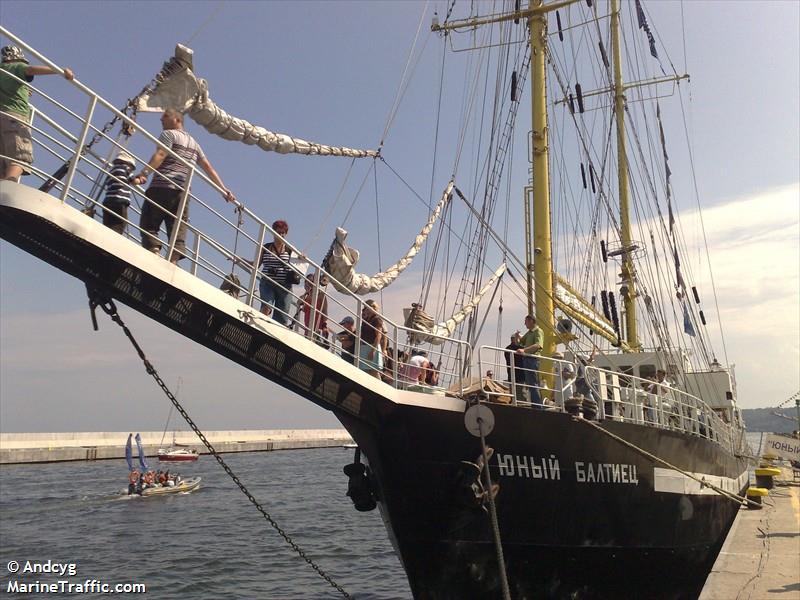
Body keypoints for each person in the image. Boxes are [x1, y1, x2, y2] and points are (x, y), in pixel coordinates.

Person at [131, 108, 235, 263]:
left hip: (162, 186)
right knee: (177, 229)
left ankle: (154, 251)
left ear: (177, 120)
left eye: (165, 116)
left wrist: (144, 173)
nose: (161, 120)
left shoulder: (168, 135)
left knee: (149, 223)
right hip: (182, 193)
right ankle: (172, 261)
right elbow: (208, 167)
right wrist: (223, 190)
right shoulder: (194, 144)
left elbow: (160, 154)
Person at [0, 45, 74, 181]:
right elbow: (30, 70)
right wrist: (59, 71)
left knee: (2, 160)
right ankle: (8, 187)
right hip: (15, 117)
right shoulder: (16, 66)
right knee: (20, 158)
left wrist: (23, 91)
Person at [258, 220, 300, 325]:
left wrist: (302, 257)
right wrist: (239, 259)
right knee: (266, 307)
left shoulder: (290, 249)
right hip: (268, 283)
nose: (280, 235)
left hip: (285, 286)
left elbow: (299, 265)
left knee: (281, 318)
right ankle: (258, 327)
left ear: (286, 234)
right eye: (278, 232)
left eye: (283, 233)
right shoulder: (266, 247)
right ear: (273, 232)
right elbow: (255, 264)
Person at [100, 152, 136, 234]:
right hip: (120, 200)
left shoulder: (112, 170)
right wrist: (140, 179)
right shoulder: (126, 168)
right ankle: (114, 238)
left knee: (108, 222)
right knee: (120, 223)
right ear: (129, 164)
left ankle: (106, 234)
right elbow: (134, 181)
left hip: (108, 200)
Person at [516, 315, 543, 407]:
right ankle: (535, 405)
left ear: (531, 321)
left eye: (526, 321)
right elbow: (520, 342)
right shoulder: (529, 333)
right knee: (531, 383)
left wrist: (524, 350)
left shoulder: (538, 331)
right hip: (527, 359)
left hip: (533, 359)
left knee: (533, 383)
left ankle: (537, 406)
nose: (525, 324)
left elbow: (538, 345)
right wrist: (517, 337)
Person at [300, 272, 329, 345]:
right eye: (307, 282)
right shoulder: (305, 296)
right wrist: (306, 293)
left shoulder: (321, 295)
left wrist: (324, 326)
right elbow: (298, 304)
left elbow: (325, 312)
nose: (309, 284)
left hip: (317, 329)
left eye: (311, 282)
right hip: (307, 329)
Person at [359, 299, 384, 378]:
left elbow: (378, 336)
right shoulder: (365, 320)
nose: (366, 309)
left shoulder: (377, 319)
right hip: (364, 346)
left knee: (374, 372)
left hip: (372, 346)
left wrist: (373, 350)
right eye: (365, 308)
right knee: (365, 371)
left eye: (368, 307)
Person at [504, 332, 526, 402]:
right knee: (521, 394)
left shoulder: (508, 348)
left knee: (515, 394)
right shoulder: (518, 348)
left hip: (513, 375)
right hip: (520, 375)